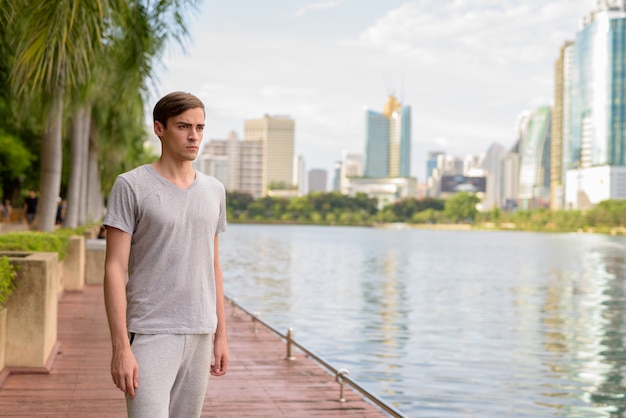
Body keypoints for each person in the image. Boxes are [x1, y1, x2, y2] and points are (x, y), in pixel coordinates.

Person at [103, 91, 229, 418]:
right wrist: (120, 348)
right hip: (151, 331)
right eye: (184, 126)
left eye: (200, 128)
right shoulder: (131, 186)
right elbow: (114, 268)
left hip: (201, 330)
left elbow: (212, 264)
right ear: (160, 128)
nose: (194, 136)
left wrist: (221, 336)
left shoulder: (214, 190)